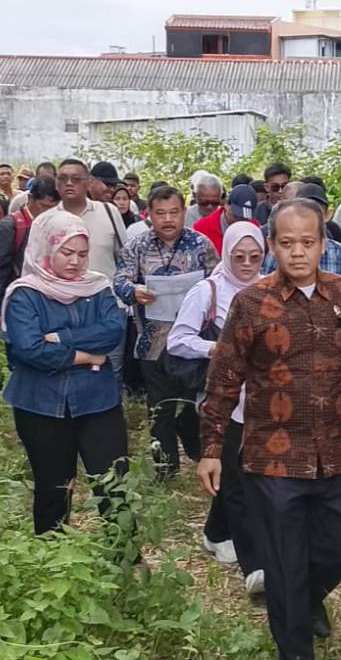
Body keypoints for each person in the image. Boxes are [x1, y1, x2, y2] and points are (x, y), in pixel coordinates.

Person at [200, 199, 341, 660]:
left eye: (307, 242)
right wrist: (212, 447)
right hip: (272, 455)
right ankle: (294, 647)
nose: (297, 252)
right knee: (282, 562)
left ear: (323, 244)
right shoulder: (251, 303)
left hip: (335, 451)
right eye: (286, 243)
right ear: (271, 247)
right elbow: (223, 378)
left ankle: (304, 596)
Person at [1, 210, 129, 535]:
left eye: (82, 254)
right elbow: (29, 349)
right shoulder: (24, 293)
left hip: (97, 400)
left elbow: (113, 330)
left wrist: (59, 338)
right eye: (66, 253)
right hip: (40, 404)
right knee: (53, 486)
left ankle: (125, 555)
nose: (75, 262)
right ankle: (53, 559)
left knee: (112, 480)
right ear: (46, 248)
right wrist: (85, 355)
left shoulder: (97, 286)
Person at [169, 221, 266, 592]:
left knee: (244, 473)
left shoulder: (272, 287)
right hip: (224, 399)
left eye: (254, 257)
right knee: (238, 479)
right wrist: (217, 349)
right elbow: (178, 340)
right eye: (238, 257)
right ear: (225, 254)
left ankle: (214, 530)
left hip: (264, 399)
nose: (246, 264)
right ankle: (254, 563)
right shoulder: (208, 291)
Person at [114, 186, 219, 478]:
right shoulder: (137, 246)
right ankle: (165, 466)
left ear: (184, 211)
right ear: (150, 215)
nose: (168, 219)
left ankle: (199, 453)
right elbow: (119, 281)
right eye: (161, 213)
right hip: (153, 340)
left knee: (193, 403)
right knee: (159, 408)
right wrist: (133, 290)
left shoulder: (201, 244)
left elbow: (218, 281)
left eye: (174, 212)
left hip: (193, 342)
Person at [53, 159, 129, 384]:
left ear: (88, 182)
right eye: (63, 179)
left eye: (76, 179)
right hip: (64, 309)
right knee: (71, 369)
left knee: (111, 368)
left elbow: (125, 258)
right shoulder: (49, 220)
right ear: (56, 185)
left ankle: (110, 416)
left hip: (108, 307)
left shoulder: (108, 212)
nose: (69, 184)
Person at [0, 177, 62, 332]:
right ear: (30, 198)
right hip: (19, 301)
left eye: (53, 208)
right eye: (43, 206)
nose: (47, 213)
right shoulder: (10, 227)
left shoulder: (58, 225)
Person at [260, 185, 341, 282]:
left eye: (317, 212)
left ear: (327, 215)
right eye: (303, 212)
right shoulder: (278, 250)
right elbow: (266, 287)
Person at [193, 184, 258, 254]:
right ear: (226, 204)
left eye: (245, 219)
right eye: (236, 216)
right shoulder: (201, 228)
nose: (240, 222)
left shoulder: (254, 228)